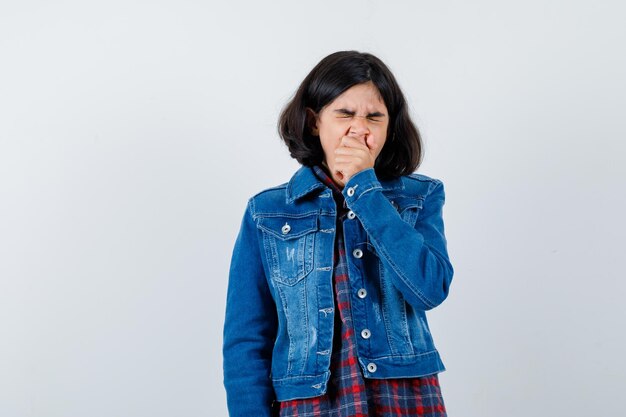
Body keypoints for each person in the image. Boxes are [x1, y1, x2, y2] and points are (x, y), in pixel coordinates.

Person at [223, 50, 454, 417]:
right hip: (310, 405)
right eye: (345, 114)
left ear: (389, 127)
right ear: (315, 122)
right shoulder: (266, 212)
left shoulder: (419, 197)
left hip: (404, 401)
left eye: (374, 117)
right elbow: (246, 339)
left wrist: (365, 191)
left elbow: (429, 288)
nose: (359, 128)